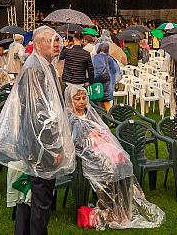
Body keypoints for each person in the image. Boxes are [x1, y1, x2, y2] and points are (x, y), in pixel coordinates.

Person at [0, 26, 75, 235]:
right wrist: (55, 147)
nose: (57, 45)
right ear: (40, 43)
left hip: (35, 142)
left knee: (30, 195)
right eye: (52, 41)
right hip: (40, 145)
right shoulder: (36, 69)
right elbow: (41, 115)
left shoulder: (43, 66)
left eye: (57, 41)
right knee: (41, 197)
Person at [64, 84, 165, 228]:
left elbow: (102, 128)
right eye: (77, 99)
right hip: (87, 155)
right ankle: (111, 209)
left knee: (124, 165)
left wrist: (102, 135)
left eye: (84, 98)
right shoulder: (70, 119)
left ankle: (123, 207)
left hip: (102, 149)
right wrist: (92, 138)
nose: (81, 101)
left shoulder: (90, 113)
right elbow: (75, 142)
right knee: (109, 170)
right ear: (69, 100)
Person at [92, 42, 122, 111]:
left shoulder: (96, 57)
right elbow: (115, 72)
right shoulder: (111, 58)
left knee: (102, 104)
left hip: (99, 84)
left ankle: (110, 120)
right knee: (106, 103)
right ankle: (107, 119)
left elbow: (94, 71)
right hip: (109, 85)